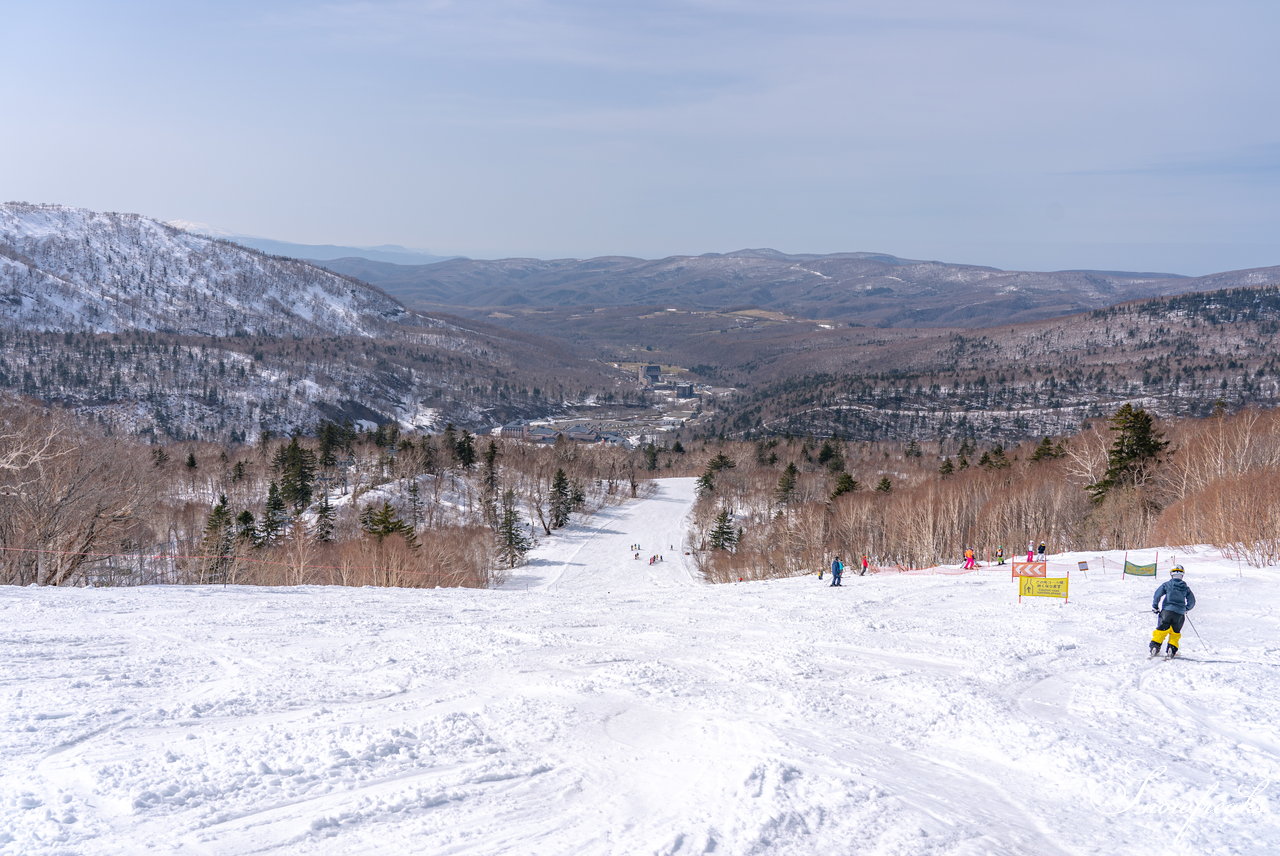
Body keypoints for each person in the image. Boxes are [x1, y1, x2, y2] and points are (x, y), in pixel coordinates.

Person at [1150, 564, 1196, 657]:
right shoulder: (1186, 588)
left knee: (1161, 630)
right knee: (1175, 632)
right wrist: (1185, 609)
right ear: (1182, 575)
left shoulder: (1167, 585)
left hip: (1166, 612)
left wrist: (1155, 606)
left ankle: (1155, 646)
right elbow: (1192, 601)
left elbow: (1157, 595)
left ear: (1171, 574)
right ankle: (1171, 648)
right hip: (1179, 614)